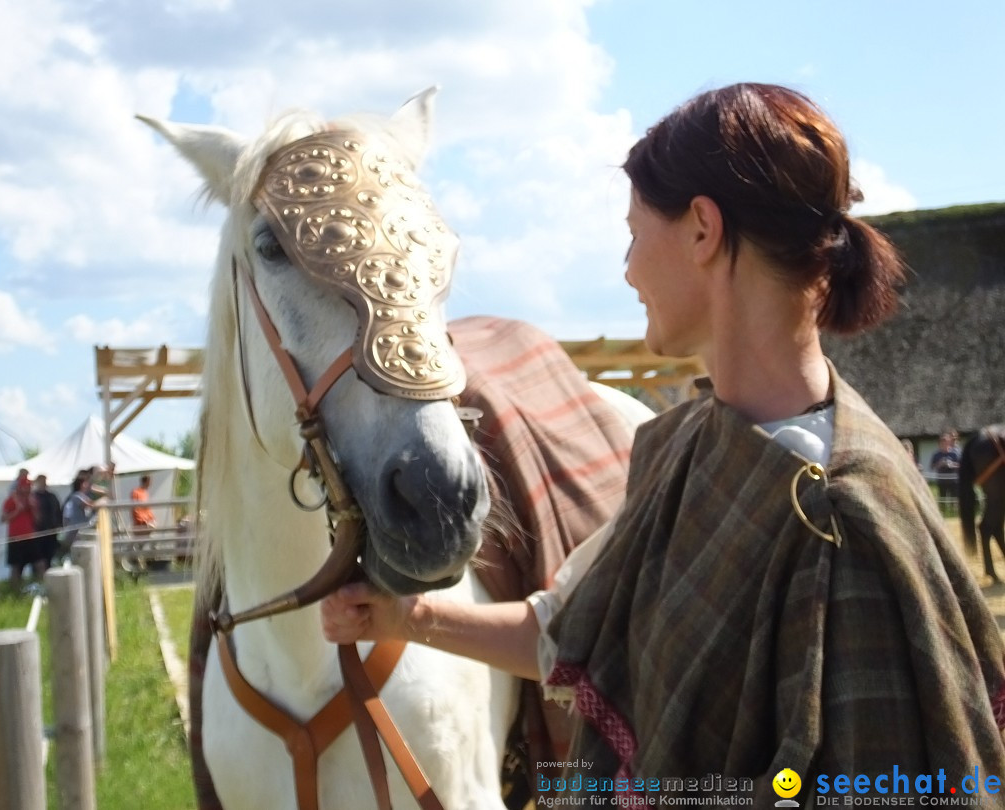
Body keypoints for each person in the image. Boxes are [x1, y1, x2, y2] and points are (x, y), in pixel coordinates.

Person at [321, 83, 1005, 803]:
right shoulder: (679, 446)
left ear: (703, 230)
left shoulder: (842, 515)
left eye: (634, 231)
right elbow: (569, 630)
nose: (627, 269)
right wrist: (407, 617)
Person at [1, 475, 38, 589]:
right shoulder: (11, 500)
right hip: (15, 537)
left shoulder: (32, 500)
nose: (28, 488)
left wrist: (33, 508)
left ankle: (38, 587)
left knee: (38, 563)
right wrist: (18, 510)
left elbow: (37, 520)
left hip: (30, 536)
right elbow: (3, 518)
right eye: (25, 486)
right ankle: (14, 591)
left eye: (29, 486)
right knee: (16, 566)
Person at [32, 474, 63, 570]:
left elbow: (57, 511)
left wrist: (58, 524)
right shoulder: (33, 497)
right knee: (38, 558)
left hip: (51, 530)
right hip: (38, 532)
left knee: (50, 556)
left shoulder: (52, 496)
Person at [930, 429, 961, 500]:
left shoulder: (955, 453)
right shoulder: (936, 454)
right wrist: (940, 464)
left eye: (946, 441)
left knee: (954, 500)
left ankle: (953, 511)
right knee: (942, 499)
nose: (944, 443)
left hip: (953, 480)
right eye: (942, 441)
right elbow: (932, 467)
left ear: (949, 442)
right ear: (940, 443)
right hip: (942, 481)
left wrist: (951, 464)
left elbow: (960, 465)